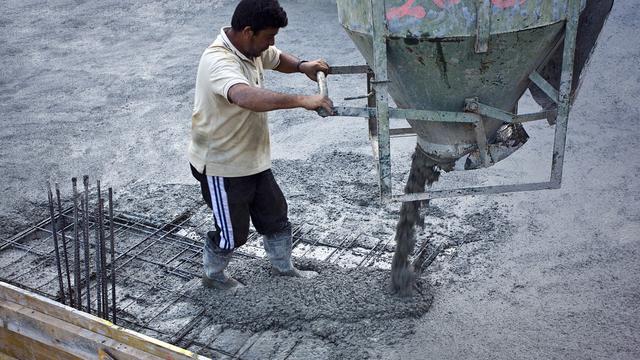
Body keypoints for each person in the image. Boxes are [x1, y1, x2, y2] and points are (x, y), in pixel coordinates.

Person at [189, 0, 333, 290]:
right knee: (233, 233)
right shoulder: (218, 61)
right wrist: (303, 100)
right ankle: (214, 276)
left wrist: (303, 66)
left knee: (275, 215)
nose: (272, 43)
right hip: (222, 164)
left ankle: (284, 268)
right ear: (247, 31)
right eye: (268, 36)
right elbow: (245, 97)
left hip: (252, 158)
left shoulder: (251, 47)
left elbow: (276, 58)